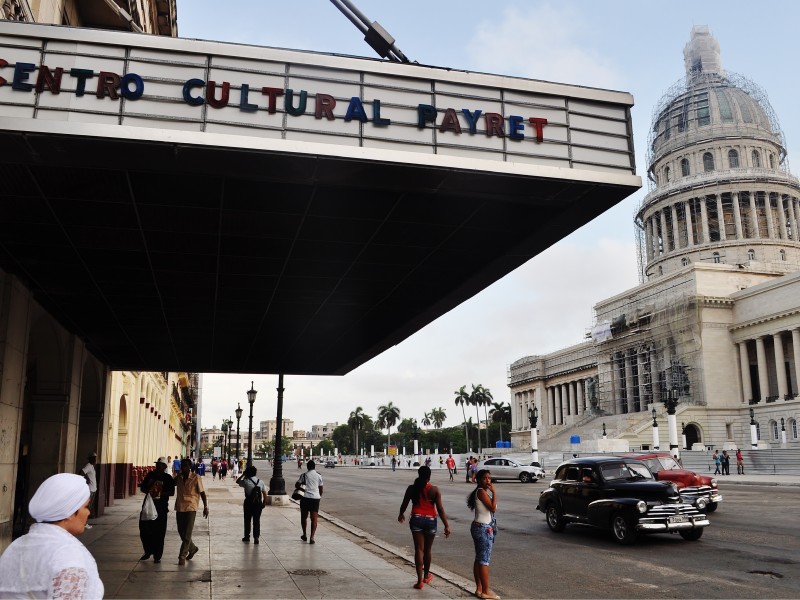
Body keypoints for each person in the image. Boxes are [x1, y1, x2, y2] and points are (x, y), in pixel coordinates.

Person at [0, 473, 104, 598]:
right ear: (69, 512)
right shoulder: (68, 556)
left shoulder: (16, 546)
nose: (88, 512)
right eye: (86, 507)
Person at [397, 466, 451, 589]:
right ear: (429, 476)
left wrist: (401, 514)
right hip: (431, 520)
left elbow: (404, 503)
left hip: (416, 519)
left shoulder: (412, 488)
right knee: (427, 550)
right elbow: (440, 509)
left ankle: (419, 581)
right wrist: (446, 525)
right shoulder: (434, 490)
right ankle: (426, 576)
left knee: (419, 550)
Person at [467, 469, 499, 600]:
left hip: (480, 527)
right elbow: (492, 508)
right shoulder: (481, 492)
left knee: (479, 559)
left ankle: (479, 588)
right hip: (483, 529)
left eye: (489, 478)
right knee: (484, 561)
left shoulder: (481, 492)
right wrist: (494, 492)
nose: (488, 480)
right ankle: (485, 590)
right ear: (479, 480)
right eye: (485, 478)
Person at [139, 456, 175, 563]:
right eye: (157, 465)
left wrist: (159, 493)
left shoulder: (168, 478)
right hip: (148, 507)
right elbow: (143, 487)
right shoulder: (150, 475)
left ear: (164, 467)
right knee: (144, 529)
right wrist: (150, 489)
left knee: (159, 532)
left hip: (161, 508)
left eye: (160, 465)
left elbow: (171, 492)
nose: (158, 467)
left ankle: (157, 555)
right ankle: (148, 550)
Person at [174, 457, 209, 565]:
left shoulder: (196, 477)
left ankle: (182, 556)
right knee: (181, 531)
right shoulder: (178, 478)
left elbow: (202, 493)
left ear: (190, 467)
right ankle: (192, 548)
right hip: (180, 506)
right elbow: (170, 484)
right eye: (182, 465)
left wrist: (205, 506)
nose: (184, 467)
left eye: (186, 466)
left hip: (191, 507)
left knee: (187, 533)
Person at [237, 465, 267, 544]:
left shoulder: (246, 481)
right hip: (258, 504)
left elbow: (237, 481)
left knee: (247, 520)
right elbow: (264, 493)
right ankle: (256, 537)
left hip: (248, 503)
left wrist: (243, 475)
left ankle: (247, 536)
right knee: (256, 520)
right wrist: (264, 502)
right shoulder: (260, 482)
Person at [296, 460, 323, 544]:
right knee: (314, 518)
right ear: (314, 467)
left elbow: (297, 485)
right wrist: (319, 496)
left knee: (304, 517)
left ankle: (304, 534)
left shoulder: (303, 475)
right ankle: (312, 537)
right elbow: (321, 489)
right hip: (315, 498)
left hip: (305, 498)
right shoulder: (319, 476)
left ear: (307, 467)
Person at [80, 452, 98, 526]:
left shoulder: (92, 466)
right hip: (90, 489)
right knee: (87, 506)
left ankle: (85, 521)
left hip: (93, 489)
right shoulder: (88, 466)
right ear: (90, 459)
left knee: (89, 506)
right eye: (93, 458)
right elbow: (81, 473)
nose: (95, 459)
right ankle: (83, 522)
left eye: (95, 458)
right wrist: (85, 480)